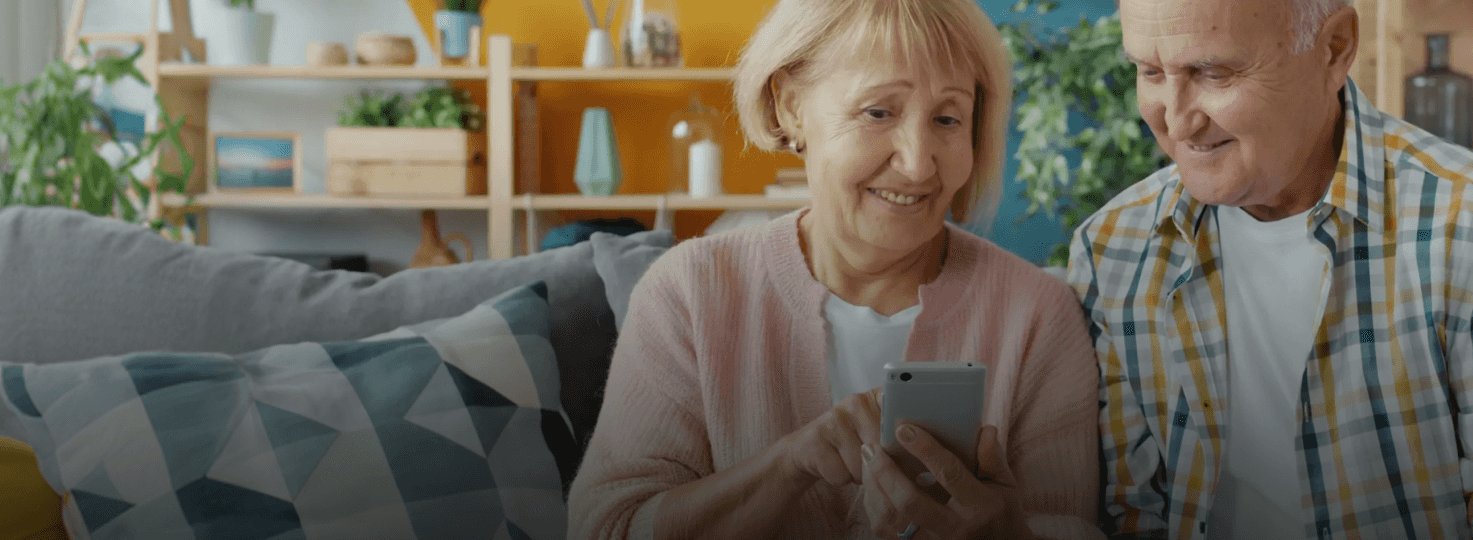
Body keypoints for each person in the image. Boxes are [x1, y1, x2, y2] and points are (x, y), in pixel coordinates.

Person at [565, 0, 1102, 538]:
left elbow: (1068, 525)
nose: (917, 163)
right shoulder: (689, 292)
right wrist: (789, 467)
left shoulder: (1037, 317)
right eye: (878, 112)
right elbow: (609, 527)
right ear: (791, 106)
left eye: (946, 118)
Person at [1068, 0, 1473, 538]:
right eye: (1150, 72)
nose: (1176, 118)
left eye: (1213, 73)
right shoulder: (1110, 251)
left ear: (1334, 50)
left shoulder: (1460, 226)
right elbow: (1137, 517)